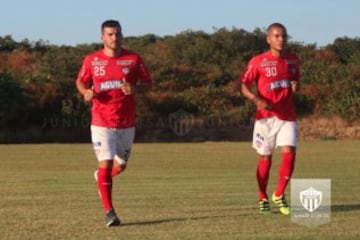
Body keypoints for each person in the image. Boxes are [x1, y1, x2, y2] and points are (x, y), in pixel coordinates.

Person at [76, 19, 152, 226]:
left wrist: (136, 89)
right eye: (110, 34)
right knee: (106, 162)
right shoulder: (92, 60)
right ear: (102, 37)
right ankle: (109, 212)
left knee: (121, 165)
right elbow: (81, 82)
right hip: (101, 121)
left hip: (126, 123)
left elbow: (148, 83)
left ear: (122, 35)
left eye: (117, 33)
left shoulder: (134, 59)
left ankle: (100, 176)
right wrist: (86, 93)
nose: (114, 37)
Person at [240, 22, 300, 215]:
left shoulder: (293, 60)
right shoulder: (258, 61)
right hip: (265, 117)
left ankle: (279, 194)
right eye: (276, 36)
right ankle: (262, 196)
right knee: (265, 157)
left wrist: (295, 87)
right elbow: (244, 86)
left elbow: (295, 80)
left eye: (283, 36)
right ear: (268, 39)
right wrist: (257, 99)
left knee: (289, 151)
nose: (281, 39)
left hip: (287, 115)